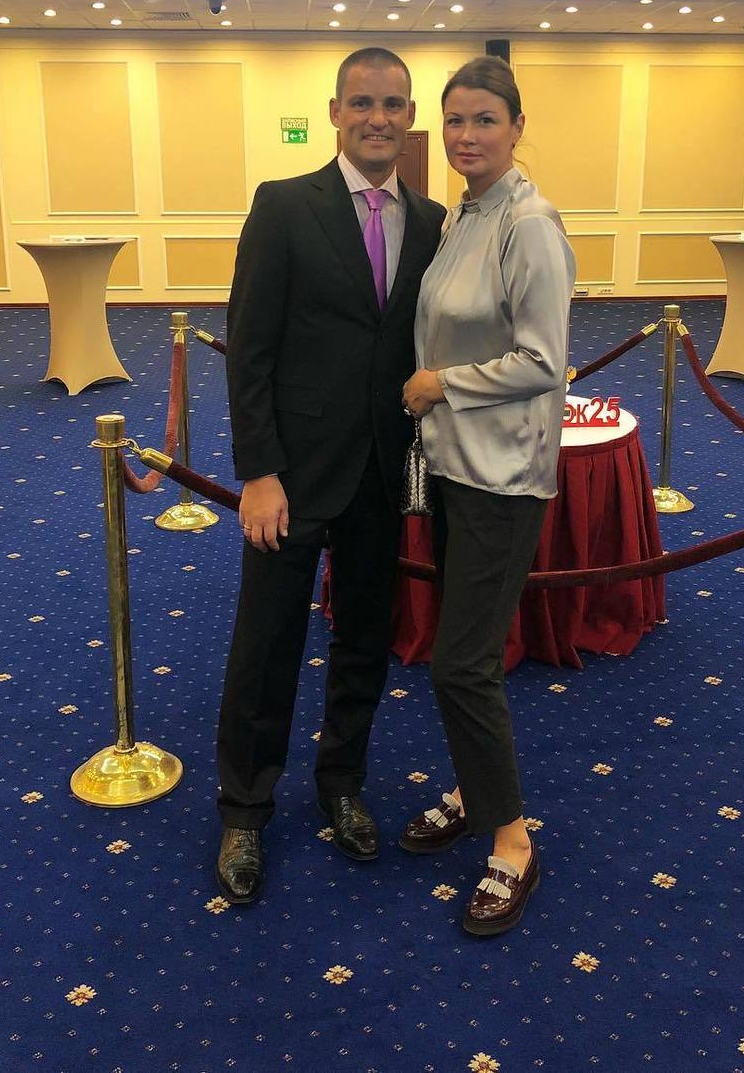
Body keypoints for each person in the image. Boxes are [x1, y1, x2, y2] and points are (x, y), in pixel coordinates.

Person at [215, 47, 445, 904]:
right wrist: (259, 471)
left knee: (362, 642)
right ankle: (245, 806)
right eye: (362, 102)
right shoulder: (284, 205)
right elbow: (251, 349)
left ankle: (342, 782)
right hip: (294, 476)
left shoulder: (432, 221)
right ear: (336, 112)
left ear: (410, 116)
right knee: (267, 643)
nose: (378, 118)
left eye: (393, 104)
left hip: (384, 473)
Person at [399, 56, 576, 937]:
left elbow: (545, 361)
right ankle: (475, 791)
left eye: (485, 120)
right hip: (453, 466)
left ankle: (512, 840)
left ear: (516, 127)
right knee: (458, 654)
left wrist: (443, 384)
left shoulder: (529, 224)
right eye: (455, 120)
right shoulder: (463, 215)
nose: (467, 136)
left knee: (461, 662)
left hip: (505, 475)